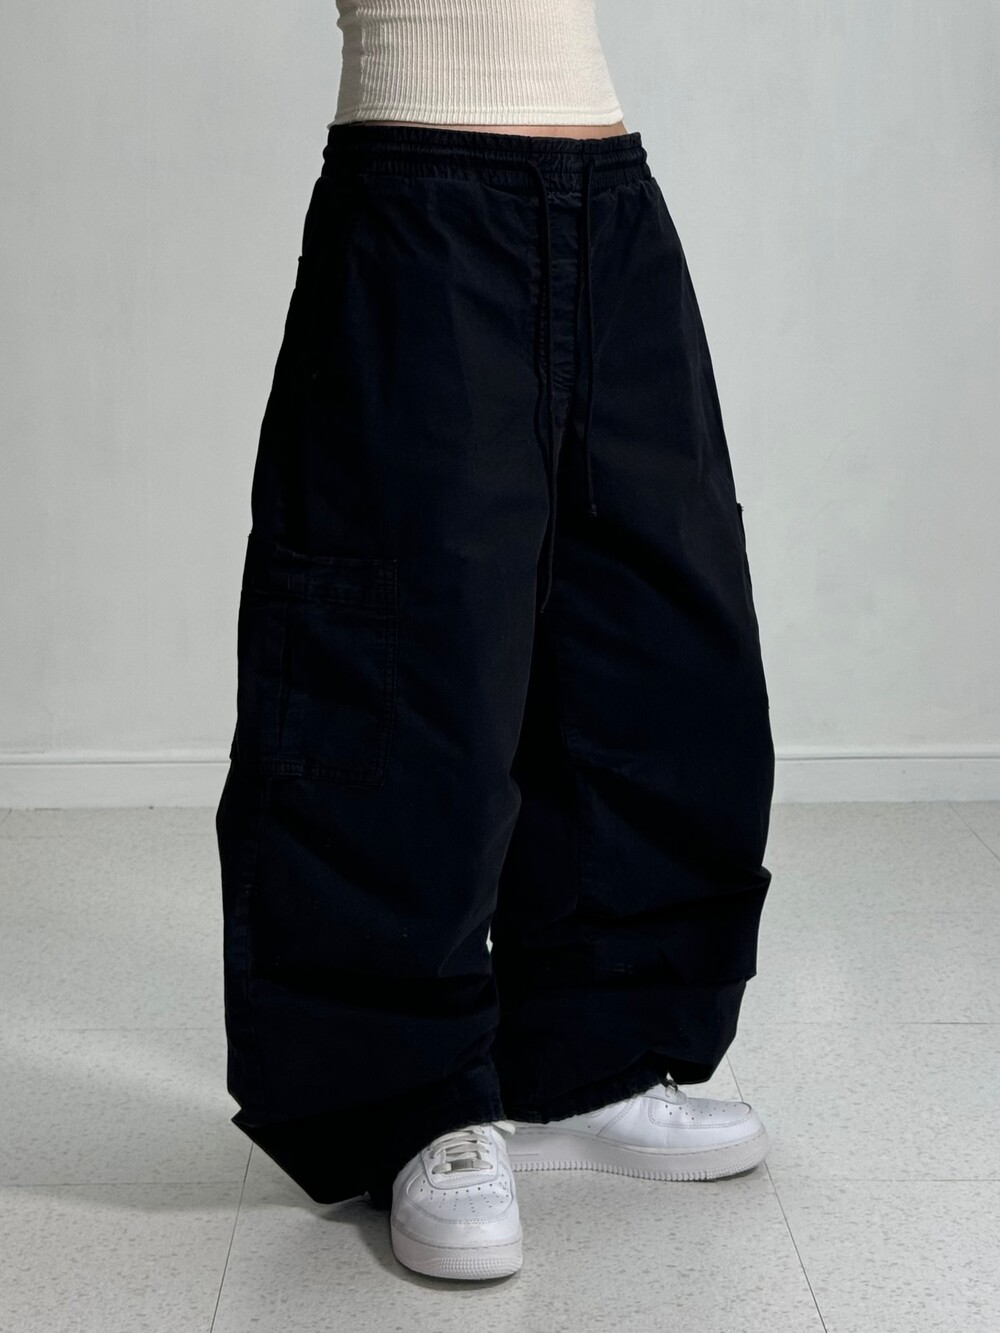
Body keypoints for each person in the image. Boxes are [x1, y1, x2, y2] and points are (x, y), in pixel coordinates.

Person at [216, 0, 775, 1282]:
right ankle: (410, 1099)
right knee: (403, 664)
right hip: (415, 188)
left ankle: (587, 1059)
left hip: (609, 188)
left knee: (649, 635)